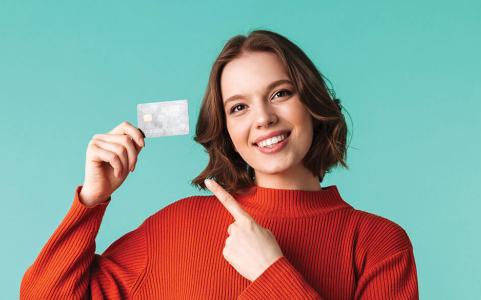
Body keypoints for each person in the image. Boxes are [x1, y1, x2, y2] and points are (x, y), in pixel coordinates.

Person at [20, 30, 418, 299]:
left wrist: (272, 274)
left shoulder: (377, 243)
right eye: (239, 107)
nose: (263, 118)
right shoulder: (175, 227)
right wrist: (91, 200)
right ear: (226, 129)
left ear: (313, 104)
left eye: (280, 93)